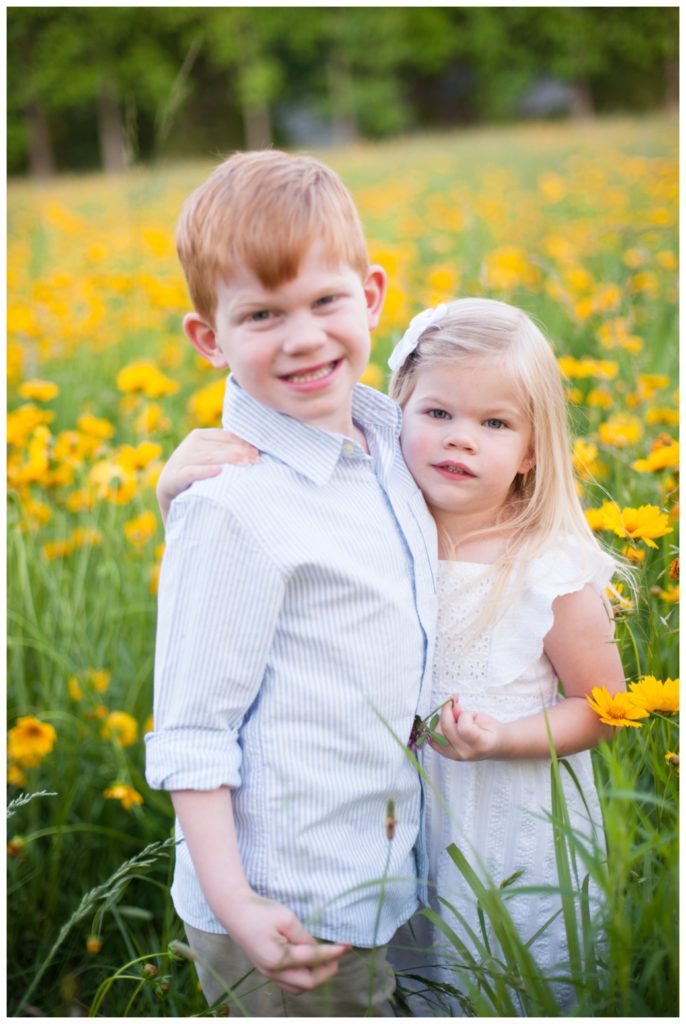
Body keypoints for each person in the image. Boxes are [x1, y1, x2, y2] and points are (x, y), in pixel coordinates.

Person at [159, 297, 626, 1014]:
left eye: (494, 423)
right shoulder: (380, 510)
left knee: (511, 982)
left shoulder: (549, 565)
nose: (459, 440)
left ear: (533, 449)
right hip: (389, 824)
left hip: (509, 820)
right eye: (437, 414)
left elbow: (603, 708)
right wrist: (173, 492)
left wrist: (505, 738)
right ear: (395, 412)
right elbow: (263, 543)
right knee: (412, 978)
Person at [144, 149, 437, 1018]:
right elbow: (194, 732)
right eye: (263, 314)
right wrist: (240, 907)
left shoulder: (391, 444)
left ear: (373, 296)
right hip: (285, 904)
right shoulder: (229, 507)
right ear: (210, 338)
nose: (304, 337)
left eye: (325, 301)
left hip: (379, 867)